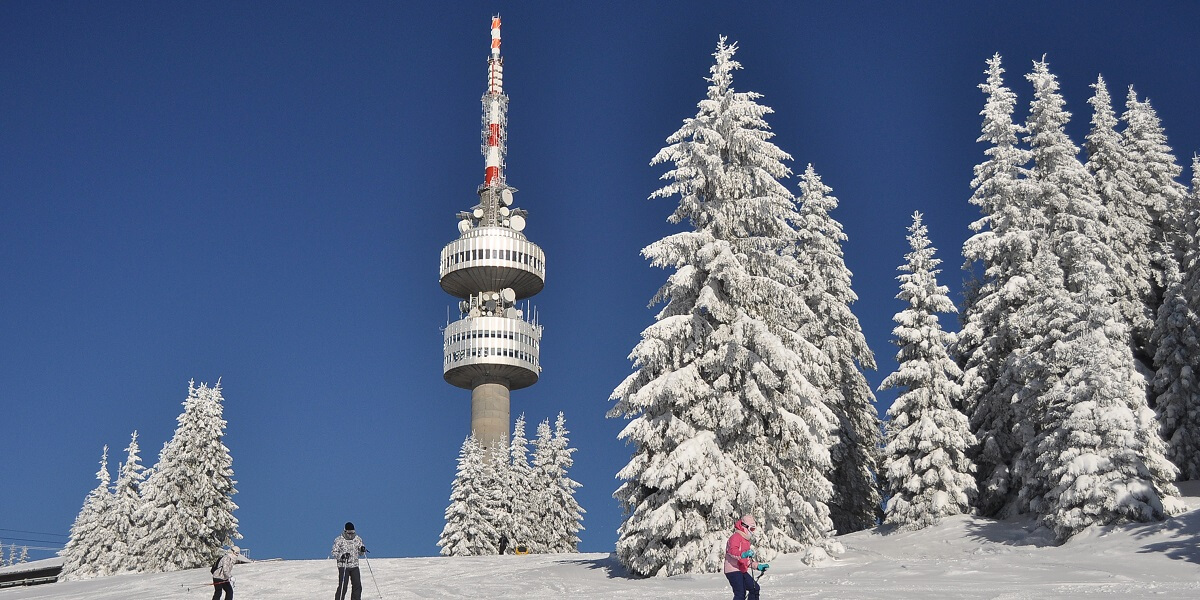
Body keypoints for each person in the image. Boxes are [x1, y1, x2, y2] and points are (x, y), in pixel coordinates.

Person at [724, 514, 768, 600]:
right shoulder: (735, 537)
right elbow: (732, 552)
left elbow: (747, 560)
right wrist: (743, 554)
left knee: (755, 588)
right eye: (751, 529)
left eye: (754, 529)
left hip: (741, 569)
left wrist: (758, 566)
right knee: (740, 593)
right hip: (733, 570)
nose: (752, 531)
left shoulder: (745, 540)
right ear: (745, 527)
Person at [331, 522, 368, 600]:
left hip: (354, 565)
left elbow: (361, 553)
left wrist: (362, 549)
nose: (351, 534)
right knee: (343, 586)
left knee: (357, 585)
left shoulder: (357, 539)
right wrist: (342, 556)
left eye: (352, 532)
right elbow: (334, 552)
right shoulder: (339, 540)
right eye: (349, 533)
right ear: (345, 531)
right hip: (344, 566)